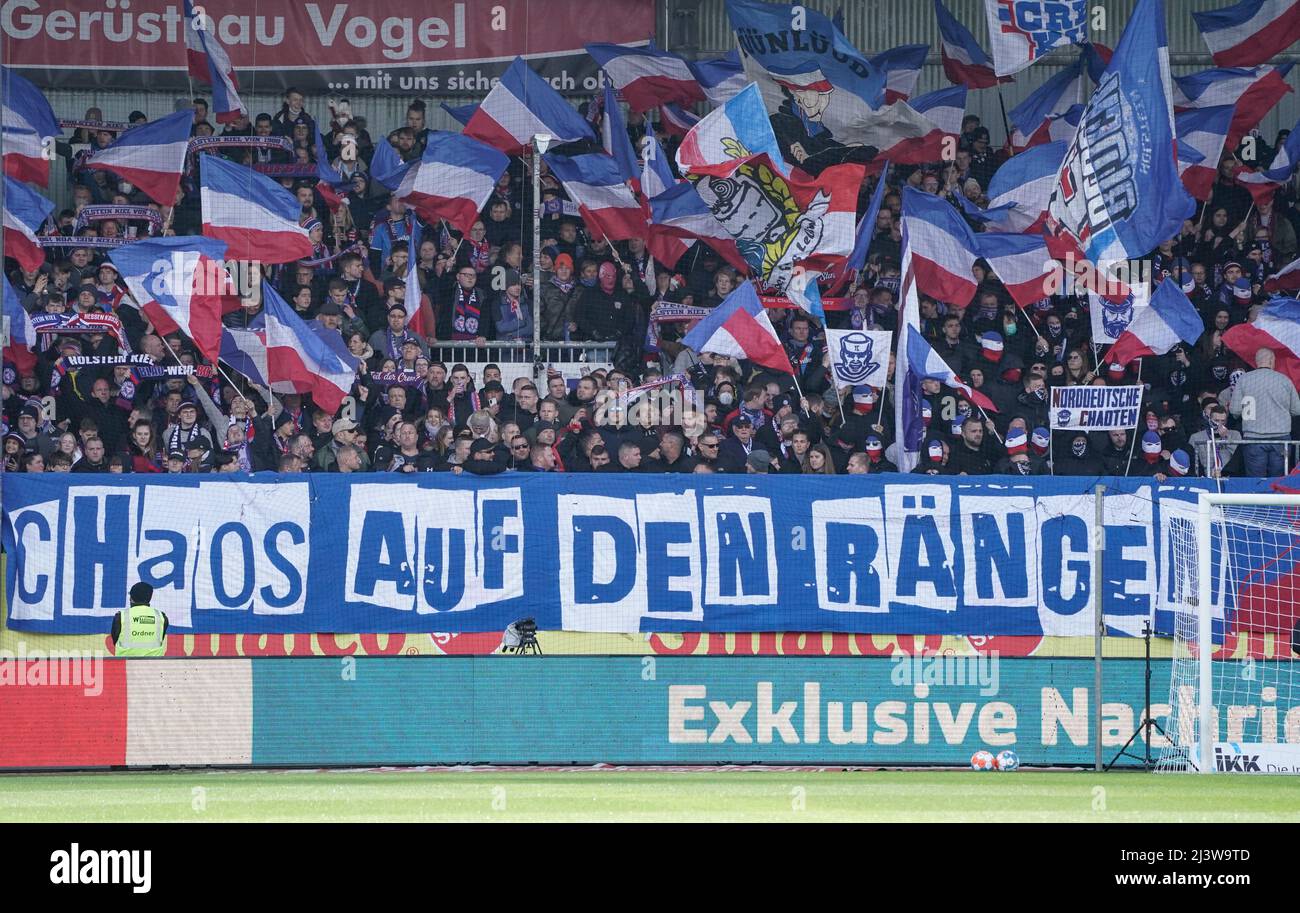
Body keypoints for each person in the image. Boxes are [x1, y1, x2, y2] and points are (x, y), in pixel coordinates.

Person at [1227, 348, 1300, 478]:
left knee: (1256, 481)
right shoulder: (1284, 380)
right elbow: (1296, 409)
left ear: (1256, 362)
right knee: (1278, 481)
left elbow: (1234, 411)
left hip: (1253, 438)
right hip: (1281, 439)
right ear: (1272, 361)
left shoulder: (1244, 380)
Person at [111, 582, 169, 657]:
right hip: (154, 665)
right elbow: (161, 637)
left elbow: (115, 639)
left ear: (131, 598)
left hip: (125, 664)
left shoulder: (121, 616)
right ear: (149, 598)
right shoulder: (161, 617)